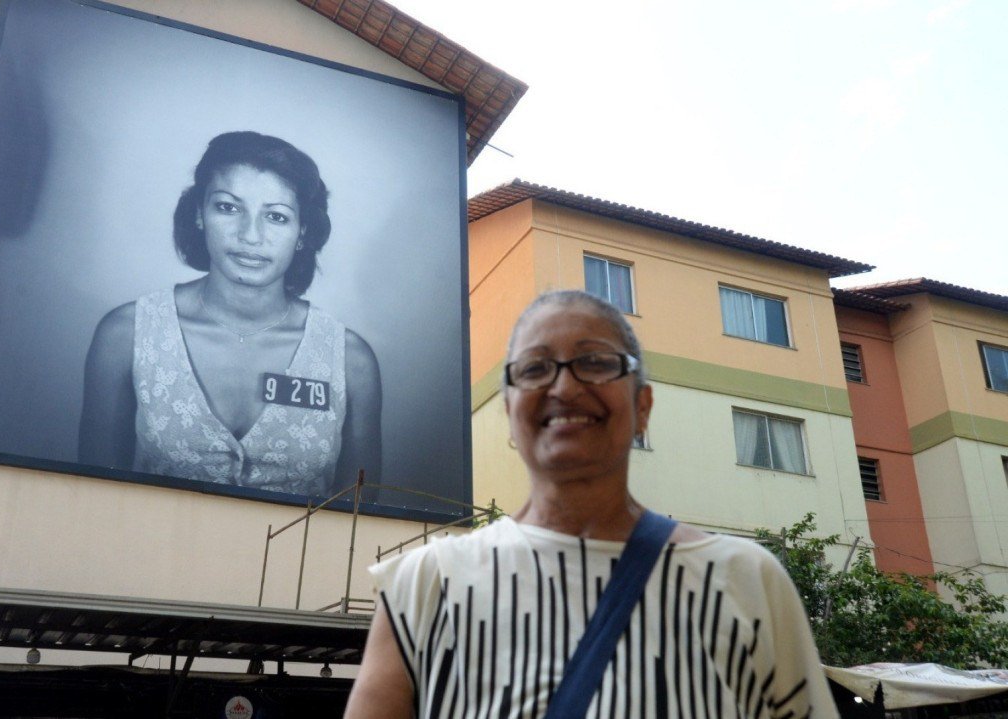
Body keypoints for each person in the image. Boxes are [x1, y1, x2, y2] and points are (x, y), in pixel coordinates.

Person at [345, 290, 837, 719]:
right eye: (535, 369)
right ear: (509, 411)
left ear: (643, 406)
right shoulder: (423, 585)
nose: (564, 388)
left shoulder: (746, 580)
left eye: (596, 363)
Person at [79, 131, 381, 498]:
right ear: (199, 214)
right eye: (228, 207)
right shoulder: (125, 335)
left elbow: (360, 517)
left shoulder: (351, 361)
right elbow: (94, 498)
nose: (250, 236)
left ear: (302, 232)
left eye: (276, 216)